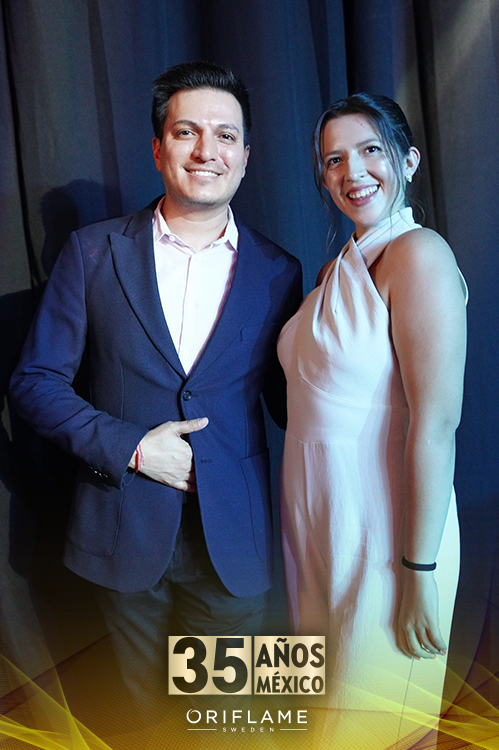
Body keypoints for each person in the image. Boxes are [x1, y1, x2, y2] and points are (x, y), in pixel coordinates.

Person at [9, 61, 302, 728]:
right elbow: (34, 381)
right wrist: (133, 448)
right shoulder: (92, 253)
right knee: (142, 726)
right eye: (186, 131)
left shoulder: (279, 270)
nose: (206, 150)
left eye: (225, 135)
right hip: (120, 532)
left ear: (246, 156)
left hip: (235, 544)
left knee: (228, 728)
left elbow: (291, 403)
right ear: (158, 147)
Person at [278, 94, 466, 746]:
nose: (351, 171)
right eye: (333, 159)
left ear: (407, 161)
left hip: (387, 542)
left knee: (387, 731)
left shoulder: (419, 255)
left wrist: (417, 572)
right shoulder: (334, 270)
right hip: (322, 535)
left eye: (369, 150)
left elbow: (435, 423)